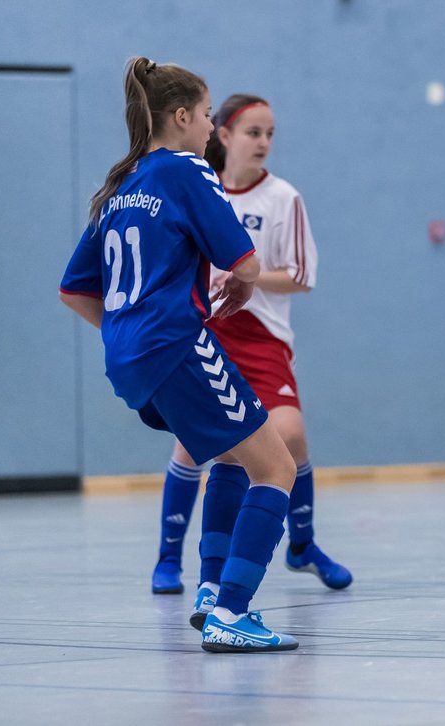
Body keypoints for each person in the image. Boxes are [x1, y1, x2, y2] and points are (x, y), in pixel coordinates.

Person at [60, 57, 298, 653]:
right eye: (209, 115)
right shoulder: (187, 168)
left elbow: (73, 289)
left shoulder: (123, 183)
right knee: (278, 467)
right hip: (175, 343)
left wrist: (127, 334)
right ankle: (231, 614)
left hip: (126, 357)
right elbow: (243, 264)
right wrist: (241, 285)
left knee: (232, 456)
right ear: (184, 116)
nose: (211, 128)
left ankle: (210, 589)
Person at [149, 94, 352, 606]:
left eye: (269, 133)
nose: (263, 143)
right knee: (198, 446)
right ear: (222, 134)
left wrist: (247, 277)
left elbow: (302, 276)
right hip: (208, 332)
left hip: (262, 337)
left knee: (290, 437)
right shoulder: (201, 189)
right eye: (252, 132)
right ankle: (170, 558)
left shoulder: (283, 198)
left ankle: (301, 545)